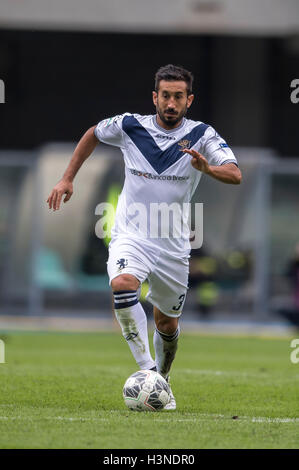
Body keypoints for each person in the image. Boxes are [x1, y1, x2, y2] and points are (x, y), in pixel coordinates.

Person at [47, 64, 242, 410]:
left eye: (178, 96)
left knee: (167, 323)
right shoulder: (130, 125)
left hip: (173, 244)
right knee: (123, 284)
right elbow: (93, 133)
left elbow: (235, 174)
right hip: (131, 234)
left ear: (189, 100)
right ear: (155, 97)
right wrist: (67, 178)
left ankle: (162, 380)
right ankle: (148, 370)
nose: (171, 102)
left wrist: (207, 169)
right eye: (165, 95)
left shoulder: (203, 135)